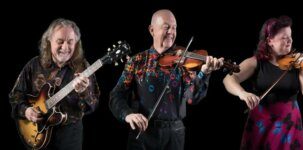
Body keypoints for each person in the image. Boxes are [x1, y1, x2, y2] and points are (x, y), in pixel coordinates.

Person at [109, 9, 224, 150]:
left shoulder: (184, 63)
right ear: (152, 30)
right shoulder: (137, 61)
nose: (171, 31)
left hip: (174, 135)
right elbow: (116, 95)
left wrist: (204, 73)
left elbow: (192, 98)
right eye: (166, 27)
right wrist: (128, 115)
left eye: (174, 27)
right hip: (142, 133)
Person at [223, 15, 303, 150]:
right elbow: (229, 79)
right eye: (284, 37)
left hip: (289, 123)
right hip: (261, 123)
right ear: (270, 40)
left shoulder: (298, 62)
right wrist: (242, 93)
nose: (290, 41)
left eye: (290, 36)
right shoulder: (256, 62)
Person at [9, 18, 100, 150]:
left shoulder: (83, 67)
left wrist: (83, 92)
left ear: (76, 44)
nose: (65, 47)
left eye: (70, 42)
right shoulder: (33, 65)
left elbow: (93, 105)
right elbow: (15, 95)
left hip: (69, 137)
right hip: (36, 132)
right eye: (60, 41)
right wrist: (26, 110)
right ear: (49, 41)